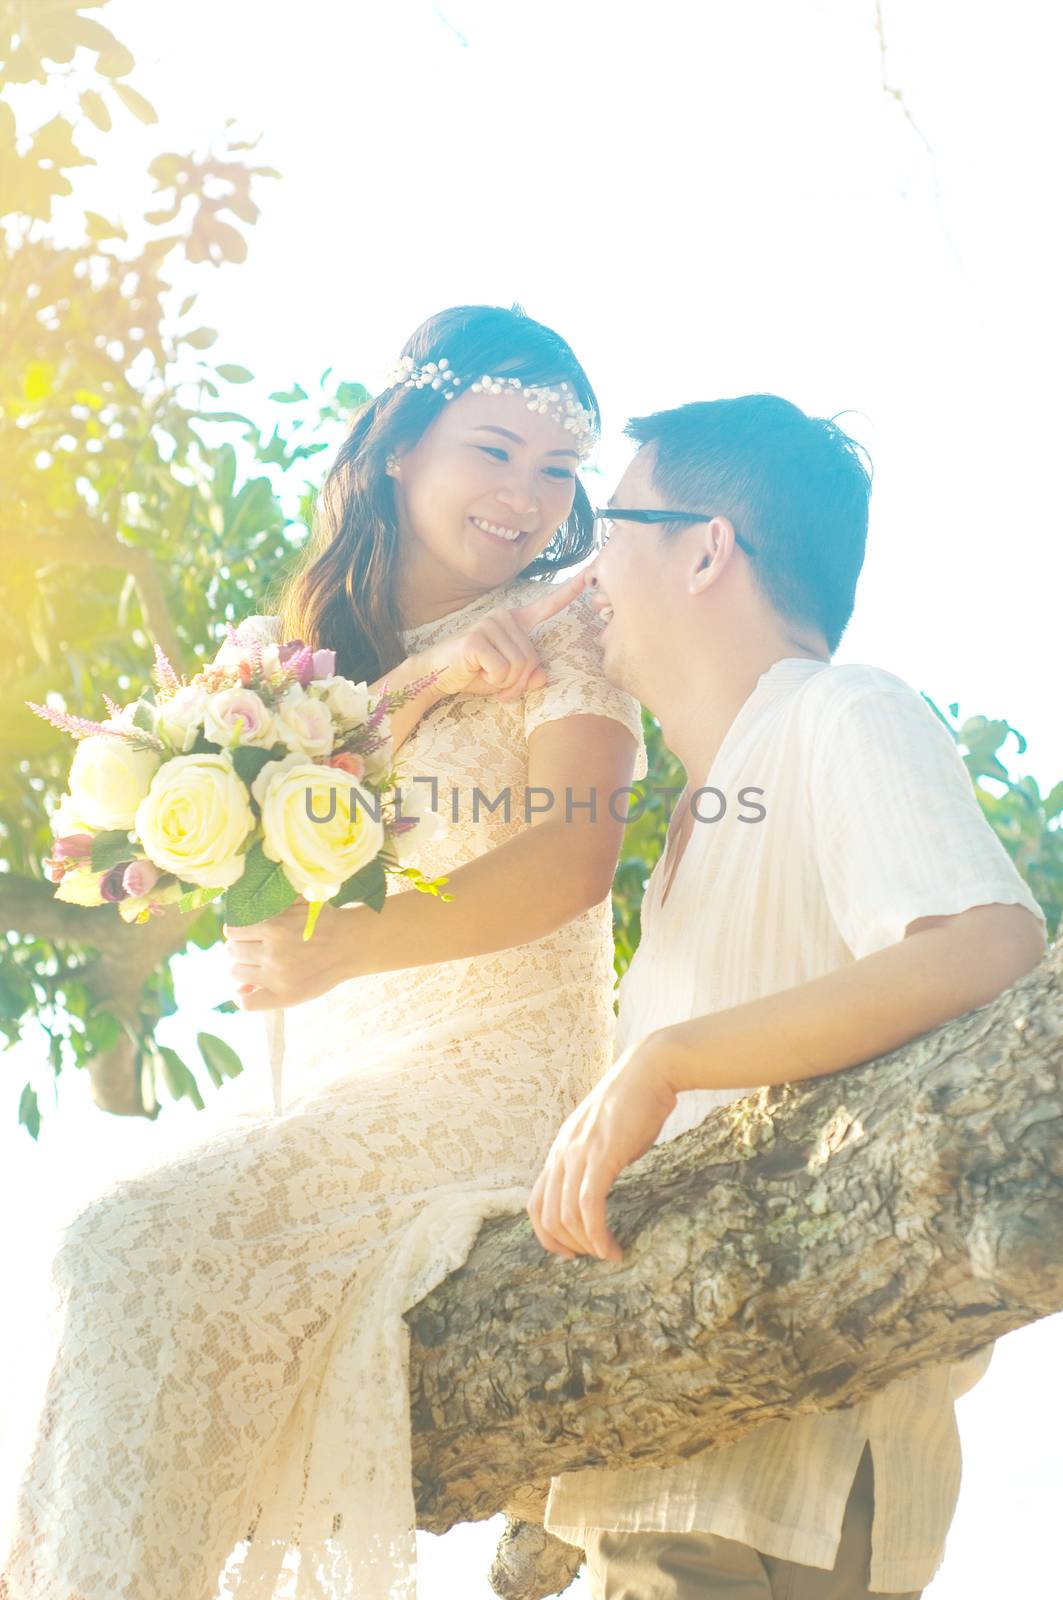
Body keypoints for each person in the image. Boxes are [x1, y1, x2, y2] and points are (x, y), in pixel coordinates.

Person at [0, 304, 646, 1600]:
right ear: (402, 444)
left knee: (123, 1243)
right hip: (333, 1080)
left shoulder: (572, 619)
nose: (526, 496)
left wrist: (348, 949)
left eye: (557, 468)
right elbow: (268, 886)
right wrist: (426, 683)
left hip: (497, 1075)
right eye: (494, 448)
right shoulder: (294, 665)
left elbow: (573, 864)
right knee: (111, 1265)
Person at [525, 394, 1048, 1599]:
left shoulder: (841, 708)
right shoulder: (705, 817)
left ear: (706, 547)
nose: (586, 566)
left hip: (774, 1500)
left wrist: (661, 1060)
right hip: (678, 1477)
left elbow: (991, 943)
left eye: (609, 526)